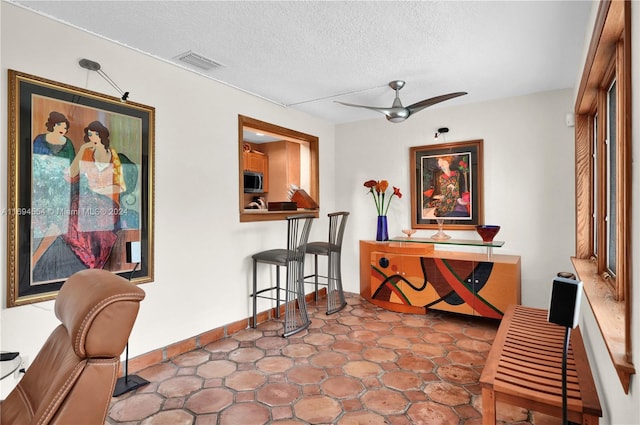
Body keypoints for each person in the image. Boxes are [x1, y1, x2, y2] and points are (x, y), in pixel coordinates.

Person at [63, 120, 126, 269]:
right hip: (88, 198)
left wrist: (99, 191)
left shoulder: (113, 154)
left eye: (95, 134)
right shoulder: (86, 152)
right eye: (90, 135)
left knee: (92, 215)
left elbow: (120, 186)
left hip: (108, 200)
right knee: (77, 212)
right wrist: (82, 149)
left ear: (102, 135)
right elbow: (71, 174)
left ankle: (94, 259)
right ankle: (86, 257)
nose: (92, 137)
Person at [31, 112, 76, 275]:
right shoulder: (39, 140)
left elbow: (72, 168)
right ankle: (35, 258)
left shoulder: (68, 143)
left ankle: (40, 258)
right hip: (42, 188)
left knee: (58, 223)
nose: (63, 129)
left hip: (61, 189)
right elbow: (34, 163)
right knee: (40, 223)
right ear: (53, 125)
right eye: (60, 125)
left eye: (65, 126)